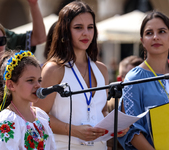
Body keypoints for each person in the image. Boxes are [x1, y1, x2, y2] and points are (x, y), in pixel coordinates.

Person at [34, 1, 128, 149]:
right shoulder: (54, 69)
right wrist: (73, 131)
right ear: (65, 31)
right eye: (78, 28)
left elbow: (101, 110)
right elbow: (37, 116)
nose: (86, 33)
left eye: (90, 27)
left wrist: (114, 126)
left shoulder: (101, 69)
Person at [118, 11, 169, 150]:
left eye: (162, 31)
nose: (156, 37)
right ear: (142, 41)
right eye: (149, 33)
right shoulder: (134, 78)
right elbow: (131, 130)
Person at [0, 50, 56, 150]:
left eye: (39, 80)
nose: (38, 85)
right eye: (30, 80)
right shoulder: (8, 120)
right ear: (11, 85)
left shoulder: (41, 116)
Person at [107, 55, 143, 150]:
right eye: (128, 77)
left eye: (137, 77)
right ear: (119, 79)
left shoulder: (152, 99)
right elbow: (109, 144)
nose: (133, 81)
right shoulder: (113, 103)